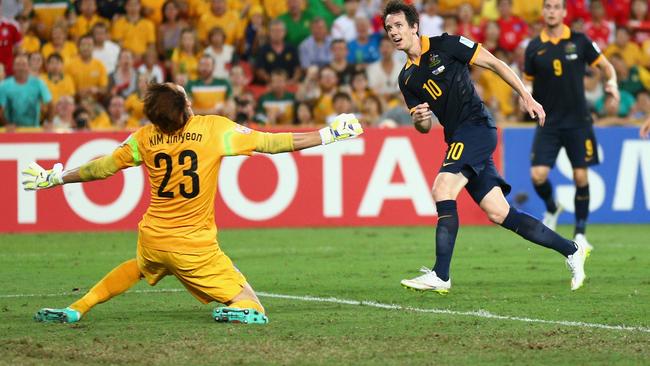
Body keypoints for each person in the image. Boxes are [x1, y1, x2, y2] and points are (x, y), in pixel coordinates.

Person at [24, 82, 363, 324]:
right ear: (185, 108)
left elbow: (101, 168)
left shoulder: (144, 138)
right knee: (254, 304)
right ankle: (243, 311)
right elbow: (272, 143)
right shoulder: (213, 130)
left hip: (154, 237)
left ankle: (77, 308)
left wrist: (55, 177)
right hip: (194, 246)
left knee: (140, 267)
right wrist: (329, 134)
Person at [382, 1, 588, 293]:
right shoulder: (406, 78)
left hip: (476, 127)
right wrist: (420, 119)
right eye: (389, 28)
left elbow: (495, 63)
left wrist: (526, 96)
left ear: (415, 26)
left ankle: (441, 275)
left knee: (443, 189)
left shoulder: (448, 44)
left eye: (399, 25)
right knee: (499, 212)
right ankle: (571, 249)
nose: (394, 32)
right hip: (458, 137)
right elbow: (424, 127)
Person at [524, 0, 619, 253]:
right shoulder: (534, 47)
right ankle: (552, 207)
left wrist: (613, 86)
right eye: (548, 7)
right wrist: (527, 97)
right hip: (549, 122)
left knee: (580, 176)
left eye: (557, 7)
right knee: (538, 175)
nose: (552, 11)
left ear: (564, 13)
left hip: (578, 122)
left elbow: (606, 67)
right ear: (543, 12)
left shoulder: (580, 41)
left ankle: (580, 232)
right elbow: (527, 82)